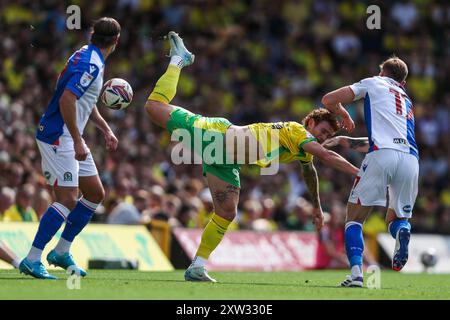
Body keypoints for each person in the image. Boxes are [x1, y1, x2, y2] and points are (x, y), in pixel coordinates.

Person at [144, 32, 359, 282]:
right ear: (310, 122)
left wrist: (317, 207)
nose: (322, 138)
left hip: (224, 160)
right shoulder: (297, 132)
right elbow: (324, 156)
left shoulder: (302, 149)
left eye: (327, 135)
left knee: (226, 212)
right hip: (216, 135)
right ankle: (179, 60)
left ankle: (197, 266)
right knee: (153, 107)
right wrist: (358, 172)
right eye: (322, 132)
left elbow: (309, 171)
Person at [19, 17, 121, 279]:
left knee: (95, 193)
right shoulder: (93, 64)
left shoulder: (85, 54)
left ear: (92, 34)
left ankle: (61, 251)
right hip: (58, 135)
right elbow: (67, 99)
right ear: (116, 41)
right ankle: (32, 258)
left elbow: (82, 99)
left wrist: (104, 128)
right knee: (67, 198)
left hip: (66, 133)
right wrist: (76, 139)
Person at [321, 56, 419, 287]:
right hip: (410, 158)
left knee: (354, 219)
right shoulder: (406, 99)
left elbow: (329, 99)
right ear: (402, 81)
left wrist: (344, 115)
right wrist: (347, 141)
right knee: (397, 217)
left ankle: (356, 275)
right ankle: (402, 232)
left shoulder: (374, 82)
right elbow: (385, 140)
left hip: (381, 155)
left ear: (383, 72)